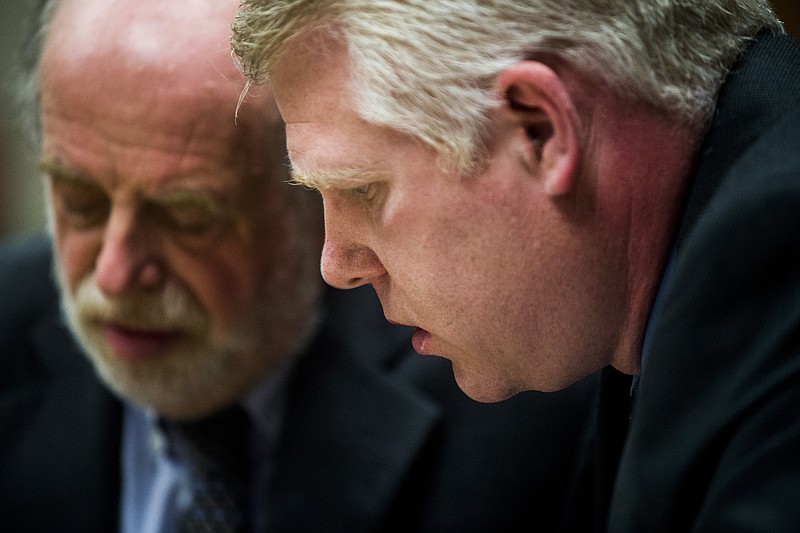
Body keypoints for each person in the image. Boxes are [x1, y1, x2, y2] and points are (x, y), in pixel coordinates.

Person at [0, 0, 601, 531]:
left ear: (313, 195)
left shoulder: (509, 379)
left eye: (186, 216)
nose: (113, 275)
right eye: (79, 202)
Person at [231, 1, 800, 531]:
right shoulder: (646, 300)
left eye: (363, 190)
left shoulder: (777, 254)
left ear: (541, 130)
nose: (338, 265)